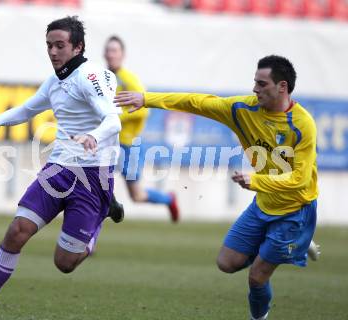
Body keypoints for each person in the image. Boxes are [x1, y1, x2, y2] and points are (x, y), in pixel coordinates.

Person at [114, 55, 319, 320]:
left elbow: (299, 180)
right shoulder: (242, 109)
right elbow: (197, 103)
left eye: (261, 84)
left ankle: (260, 316)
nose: (255, 89)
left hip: (294, 210)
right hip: (264, 204)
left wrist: (256, 181)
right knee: (226, 263)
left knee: (256, 277)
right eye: (254, 83)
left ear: (282, 87)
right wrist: (146, 98)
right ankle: (296, 243)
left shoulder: (303, 125)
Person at [0, 16, 121, 320]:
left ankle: (99, 218)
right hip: (59, 169)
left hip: (93, 175)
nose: (53, 52)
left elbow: (113, 120)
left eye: (60, 46)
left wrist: (92, 136)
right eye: (49, 46)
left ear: (78, 47)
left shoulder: (91, 75)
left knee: (65, 263)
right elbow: (29, 108)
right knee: (17, 231)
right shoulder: (56, 81)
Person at [104, 35, 179, 223]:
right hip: (107, 143)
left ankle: (169, 199)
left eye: (114, 50)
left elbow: (143, 111)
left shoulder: (129, 80)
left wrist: (116, 116)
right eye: (108, 50)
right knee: (98, 189)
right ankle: (87, 239)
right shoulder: (102, 78)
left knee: (136, 196)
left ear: (122, 55)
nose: (111, 54)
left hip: (128, 145)